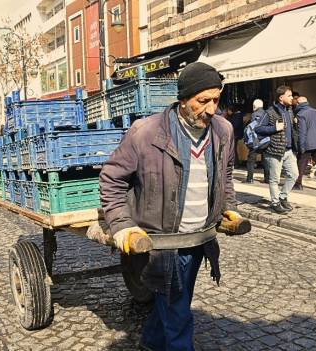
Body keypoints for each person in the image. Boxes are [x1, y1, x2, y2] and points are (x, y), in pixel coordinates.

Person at [99, 62, 248, 350]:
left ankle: (152, 341)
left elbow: (226, 174)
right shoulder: (145, 132)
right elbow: (111, 179)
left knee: (175, 301)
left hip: (200, 237)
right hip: (161, 243)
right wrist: (122, 224)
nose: (211, 109)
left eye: (216, 100)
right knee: (179, 314)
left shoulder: (224, 130)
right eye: (202, 101)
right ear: (183, 100)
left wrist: (229, 206)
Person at [256, 86, 299, 214]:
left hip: (289, 150)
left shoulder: (289, 111)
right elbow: (258, 128)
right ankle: (275, 203)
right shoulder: (270, 112)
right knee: (274, 179)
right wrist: (274, 128)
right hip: (274, 150)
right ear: (281, 98)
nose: (292, 98)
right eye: (290, 96)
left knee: (294, 175)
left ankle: (282, 196)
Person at [245, 99, 269, 183]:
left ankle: (250, 178)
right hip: (265, 140)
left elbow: (253, 129)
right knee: (265, 160)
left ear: (254, 106)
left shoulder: (255, 114)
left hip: (256, 141)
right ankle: (267, 179)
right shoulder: (267, 113)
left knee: (251, 159)